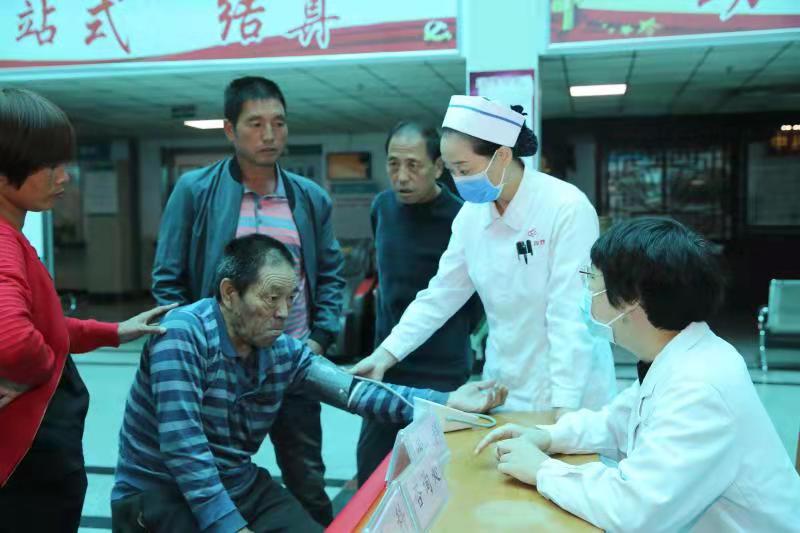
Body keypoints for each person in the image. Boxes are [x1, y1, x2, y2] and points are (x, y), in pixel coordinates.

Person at [111, 234, 507, 533]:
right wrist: (230, 526)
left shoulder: (281, 350)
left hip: (236, 481)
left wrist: (447, 400)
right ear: (230, 293)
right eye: (271, 298)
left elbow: (355, 391)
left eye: (290, 298)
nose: (283, 313)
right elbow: (184, 450)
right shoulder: (183, 335)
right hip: (159, 491)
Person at [475, 217, 800, 532]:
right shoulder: (676, 355)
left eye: (591, 281)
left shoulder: (699, 386)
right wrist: (547, 437)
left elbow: (633, 510)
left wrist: (543, 470)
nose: (586, 294)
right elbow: (616, 423)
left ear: (632, 300)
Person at [151, 76, 345, 525]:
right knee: (213, 478)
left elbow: (331, 273)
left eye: (279, 122)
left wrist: (319, 338)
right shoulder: (195, 191)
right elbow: (167, 278)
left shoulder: (309, 198)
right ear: (229, 129)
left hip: (292, 360)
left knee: (308, 479)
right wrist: (194, 351)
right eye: (256, 124)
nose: (270, 134)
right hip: (221, 369)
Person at [353, 95, 615, 416]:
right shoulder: (471, 217)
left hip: (572, 388)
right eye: (451, 171)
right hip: (505, 384)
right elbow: (440, 295)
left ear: (502, 155)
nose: (458, 180)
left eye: (464, 169)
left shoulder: (565, 208)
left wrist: (565, 407)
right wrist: (385, 355)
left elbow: (570, 314)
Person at [0, 87, 173, 532]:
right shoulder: (3, 242)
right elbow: (16, 341)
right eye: (49, 165)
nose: (64, 177)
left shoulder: (13, 237)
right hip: (29, 462)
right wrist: (38, 371)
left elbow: (44, 327)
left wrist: (114, 331)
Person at [355, 121, 482, 485]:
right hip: (386, 368)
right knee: (373, 473)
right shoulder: (382, 207)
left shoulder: (462, 217)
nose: (401, 176)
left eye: (413, 165)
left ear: (438, 167)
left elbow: (475, 301)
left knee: (434, 478)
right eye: (393, 164)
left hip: (441, 370)